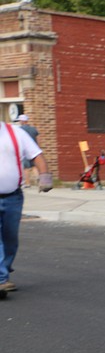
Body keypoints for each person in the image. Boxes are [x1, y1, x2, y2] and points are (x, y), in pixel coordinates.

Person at [1, 119, 50, 293]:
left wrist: (44, 176)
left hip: (13, 197)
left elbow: (36, 155)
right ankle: (1, 278)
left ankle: (4, 270)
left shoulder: (16, 133)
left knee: (10, 239)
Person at [16, 114, 39, 189]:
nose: (19, 122)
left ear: (22, 121)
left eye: (20, 120)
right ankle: (38, 179)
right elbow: (38, 139)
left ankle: (27, 183)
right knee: (34, 166)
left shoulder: (19, 130)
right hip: (34, 150)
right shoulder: (33, 129)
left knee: (26, 168)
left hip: (24, 151)